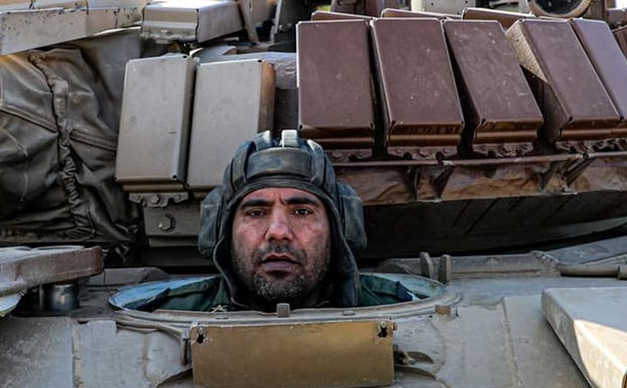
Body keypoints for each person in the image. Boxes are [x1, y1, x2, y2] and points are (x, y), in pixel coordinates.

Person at [111, 131, 427, 312]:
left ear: (341, 228)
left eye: (301, 211)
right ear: (221, 229)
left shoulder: (399, 310)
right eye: (256, 212)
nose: (278, 232)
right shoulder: (167, 315)